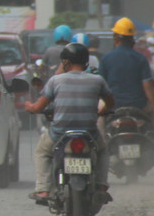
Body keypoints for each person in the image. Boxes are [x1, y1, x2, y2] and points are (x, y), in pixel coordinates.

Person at [24, 42, 114, 203]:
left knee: (42, 152)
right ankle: (101, 187)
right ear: (86, 61)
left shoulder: (55, 81)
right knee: (103, 151)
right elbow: (111, 103)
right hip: (89, 133)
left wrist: (29, 106)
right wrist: (102, 112)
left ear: (65, 62)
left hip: (60, 133)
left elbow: (39, 107)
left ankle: (44, 190)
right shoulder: (98, 80)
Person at [98, 17, 154, 143]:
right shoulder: (140, 58)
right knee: (151, 118)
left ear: (116, 38)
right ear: (132, 39)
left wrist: (100, 110)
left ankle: (101, 143)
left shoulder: (106, 59)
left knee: (100, 120)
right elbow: (148, 87)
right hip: (138, 106)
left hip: (113, 106)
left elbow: (100, 86)